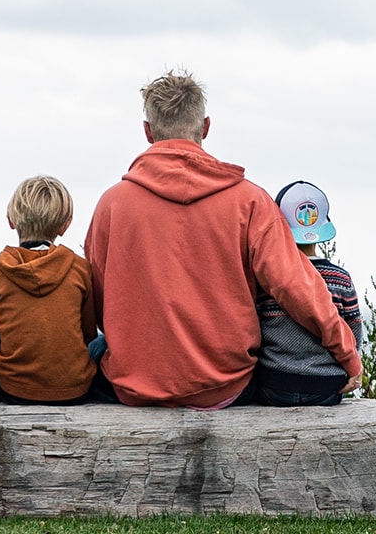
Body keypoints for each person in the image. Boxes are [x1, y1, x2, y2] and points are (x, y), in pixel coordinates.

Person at [84, 71, 361, 408]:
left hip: (134, 386)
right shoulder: (250, 202)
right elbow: (297, 288)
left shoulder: (112, 205)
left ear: (147, 132)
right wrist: (347, 353)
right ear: (205, 127)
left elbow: (97, 301)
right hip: (227, 386)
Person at [0, 175, 97, 404]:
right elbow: (88, 332)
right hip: (74, 390)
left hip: (14, 389)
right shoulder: (80, 269)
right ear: (65, 226)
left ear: (10, 220)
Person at [255, 181, 363, 406]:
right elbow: (354, 334)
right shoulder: (341, 279)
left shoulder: (266, 279)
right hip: (327, 387)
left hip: (275, 387)